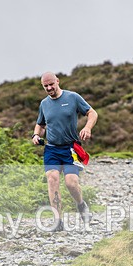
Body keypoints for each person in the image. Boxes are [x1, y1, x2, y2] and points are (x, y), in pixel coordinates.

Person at [32, 72, 97, 232]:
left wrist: (87, 127)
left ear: (57, 81)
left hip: (70, 149)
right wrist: (35, 135)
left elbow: (92, 113)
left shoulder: (72, 97)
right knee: (52, 179)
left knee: (71, 183)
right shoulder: (44, 104)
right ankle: (58, 221)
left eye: (51, 84)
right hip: (52, 149)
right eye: (45, 86)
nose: (49, 88)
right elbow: (40, 124)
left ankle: (81, 205)